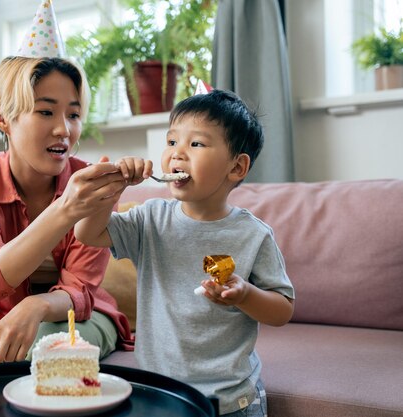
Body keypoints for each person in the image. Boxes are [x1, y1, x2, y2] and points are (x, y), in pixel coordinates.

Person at [74, 89, 295, 416]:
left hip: (230, 399)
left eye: (196, 144)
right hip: (160, 392)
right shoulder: (150, 218)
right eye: (172, 141)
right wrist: (111, 193)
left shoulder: (253, 235)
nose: (177, 154)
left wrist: (244, 295)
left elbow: (283, 310)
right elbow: (87, 233)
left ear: (237, 167)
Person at [0, 55, 133, 372]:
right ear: (3, 119)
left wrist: (36, 305)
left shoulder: (93, 182)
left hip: (76, 312)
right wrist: (65, 210)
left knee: (52, 354)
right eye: (46, 112)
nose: (64, 129)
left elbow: (79, 288)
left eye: (73, 114)